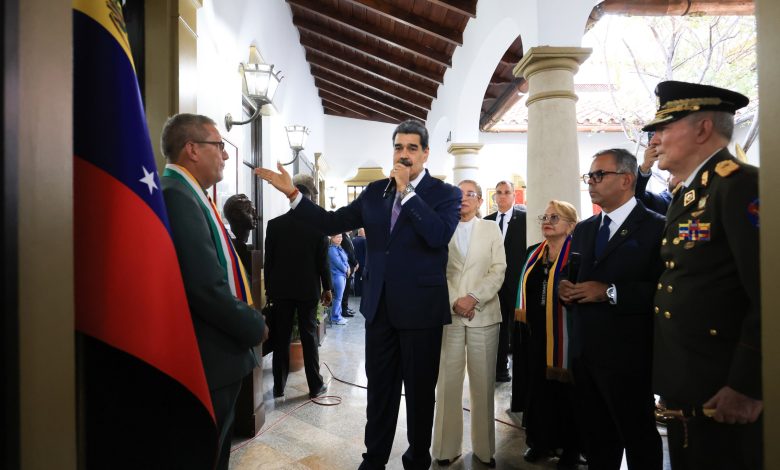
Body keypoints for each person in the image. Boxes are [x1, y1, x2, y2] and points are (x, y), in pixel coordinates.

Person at [256, 118, 461, 470]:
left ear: (426, 153)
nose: (404, 154)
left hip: (421, 311)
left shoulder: (446, 195)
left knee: (419, 393)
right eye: (399, 147)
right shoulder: (375, 192)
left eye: (412, 148)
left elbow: (437, 235)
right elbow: (330, 222)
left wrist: (407, 193)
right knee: (379, 390)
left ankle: (416, 460)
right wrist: (293, 195)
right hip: (379, 308)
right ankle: (374, 459)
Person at [644, 81, 761, 470]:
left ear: (703, 128)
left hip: (726, 389)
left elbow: (768, 294)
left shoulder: (739, 185)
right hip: (692, 380)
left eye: (664, 128)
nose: (654, 140)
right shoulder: (689, 194)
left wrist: (747, 385)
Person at [160, 113, 266, 470]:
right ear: (192, 149)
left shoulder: (192, 195)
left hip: (218, 354)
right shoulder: (177, 195)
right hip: (208, 356)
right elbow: (205, 287)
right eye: (219, 145)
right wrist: (254, 325)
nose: (225, 154)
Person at [559, 148, 665, 470]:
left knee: (639, 438)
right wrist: (566, 288)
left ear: (626, 179)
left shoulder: (656, 227)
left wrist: (610, 292)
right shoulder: (585, 228)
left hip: (629, 357)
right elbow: (573, 273)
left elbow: (663, 291)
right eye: (589, 176)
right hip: (586, 355)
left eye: (599, 175)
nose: (590, 182)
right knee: (597, 442)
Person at [432, 180, 506, 468]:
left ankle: (485, 449)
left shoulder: (491, 228)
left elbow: (498, 269)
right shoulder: (442, 228)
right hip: (449, 314)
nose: (463, 198)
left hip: (483, 314)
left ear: (479, 200)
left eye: (469, 194)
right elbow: (436, 270)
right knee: (447, 383)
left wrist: (474, 298)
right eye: (458, 193)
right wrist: (456, 301)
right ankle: (446, 447)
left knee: (483, 383)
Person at [516, 200, 582, 469]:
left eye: (555, 217)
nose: (547, 221)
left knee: (568, 394)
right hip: (537, 335)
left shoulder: (578, 255)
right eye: (545, 217)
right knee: (538, 390)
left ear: (571, 225)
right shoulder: (533, 253)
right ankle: (540, 442)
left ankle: (571, 449)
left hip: (567, 336)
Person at [264, 175, 333, 399]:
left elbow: (269, 262)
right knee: (309, 337)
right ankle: (315, 385)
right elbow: (323, 262)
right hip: (307, 290)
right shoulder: (318, 228)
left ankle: (278, 386)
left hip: (281, 291)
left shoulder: (275, 225)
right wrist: (328, 288)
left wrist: (269, 291)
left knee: (281, 337)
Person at [483, 180, 527, 385]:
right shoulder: (487, 221)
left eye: (506, 192)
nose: (502, 196)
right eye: (498, 192)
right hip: (493, 285)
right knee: (496, 328)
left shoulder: (525, 219)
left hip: (516, 283)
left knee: (518, 328)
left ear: (514, 196)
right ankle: (500, 369)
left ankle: (522, 371)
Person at [636, 143, 678, 215]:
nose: (682, 179)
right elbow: (636, 197)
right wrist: (645, 166)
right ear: (668, 180)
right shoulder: (659, 201)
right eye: (676, 173)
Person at [223, 193, 256, 272]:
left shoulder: (241, 247)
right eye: (250, 212)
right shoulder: (233, 248)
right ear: (236, 215)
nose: (256, 216)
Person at [328, 233, 351, 325]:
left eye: (341, 237)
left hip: (342, 275)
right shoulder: (331, 250)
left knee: (340, 297)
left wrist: (348, 267)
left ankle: (339, 315)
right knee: (338, 297)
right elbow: (338, 263)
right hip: (336, 276)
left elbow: (345, 259)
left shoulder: (339, 248)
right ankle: (336, 317)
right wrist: (346, 269)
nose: (340, 239)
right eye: (337, 237)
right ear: (332, 238)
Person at [340, 230, 359, 317]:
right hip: (348, 266)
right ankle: (344, 310)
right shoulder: (344, 237)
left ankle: (346, 307)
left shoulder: (348, 236)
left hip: (350, 266)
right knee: (345, 289)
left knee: (347, 289)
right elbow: (349, 253)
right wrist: (355, 263)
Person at [352, 228, 367, 297]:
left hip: (355, 262)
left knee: (356, 278)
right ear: (362, 233)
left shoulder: (353, 240)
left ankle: (357, 293)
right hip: (363, 262)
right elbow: (365, 252)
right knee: (364, 278)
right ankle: (363, 293)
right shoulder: (364, 240)